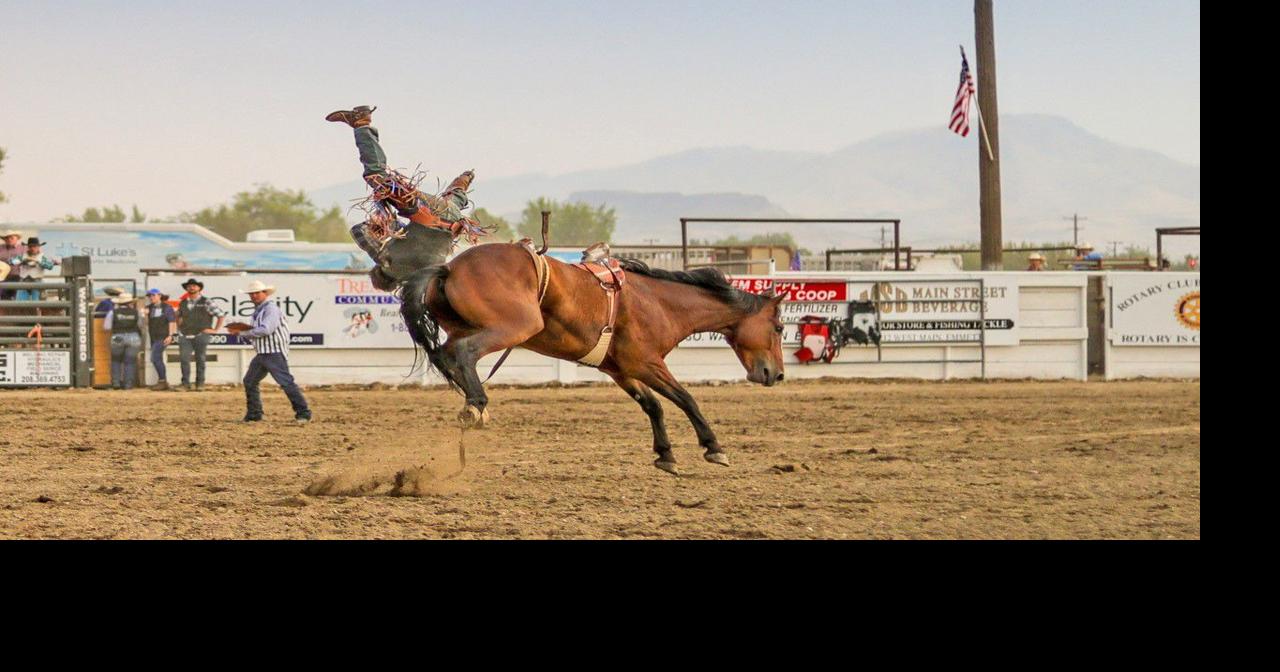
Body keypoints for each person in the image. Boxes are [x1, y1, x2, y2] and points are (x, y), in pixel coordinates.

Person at [326, 105, 489, 288]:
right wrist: (385, 233)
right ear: (380, 271)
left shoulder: (422, 278)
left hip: (452, 221)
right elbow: (359, 230)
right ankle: (361, 123)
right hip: (430, 215)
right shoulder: (388, 260)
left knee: (453, 201)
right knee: (378, 177)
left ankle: (464, 180)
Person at [227, 280, 311, 424]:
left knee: (285, 382)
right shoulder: (261, 310)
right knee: (251, 381)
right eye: (251, 294)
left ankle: (303, 413)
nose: (254, 296)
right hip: (265, 351)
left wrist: (241, 333)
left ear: (264, 293)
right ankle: (254, 414)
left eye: (256, 293)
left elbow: (266, 329)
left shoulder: (270, 309)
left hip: (273, 351)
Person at [175, 277, 226, 391]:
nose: (191, 287)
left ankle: (200, 384)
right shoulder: (183, 302)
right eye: (189, 286)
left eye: (194, 285)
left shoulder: (207, 301)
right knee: (184, 359)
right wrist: (179, 329)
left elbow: (220, 315)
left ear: (199, 288)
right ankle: (185, 384)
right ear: (186, 288)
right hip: (185, 335)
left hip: (201, 334)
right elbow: (178, 316)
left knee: (200, 359)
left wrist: (215, 330)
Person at [105, 292, 144, 389]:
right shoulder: (136, 312)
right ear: (130, 302)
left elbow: (106, 327)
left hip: (117, 336)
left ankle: (116, 383)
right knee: (130, 361)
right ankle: (128, 384)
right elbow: (141, 325)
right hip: (133, 336)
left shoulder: (112, 312)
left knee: (116, 360)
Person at [145, 288, 178, 391]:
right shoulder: (149, 308)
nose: (151, 297)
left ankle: (162, 381)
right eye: (150, 296)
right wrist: (145, 315)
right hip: (154, 336)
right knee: (157, 358)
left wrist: (170, 335)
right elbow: (145, 324)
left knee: (155, 357)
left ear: (159, 296)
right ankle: (162, 381)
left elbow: (172, 322)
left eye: (153, 295)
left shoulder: (167, 307)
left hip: (163, 336)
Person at [1, 230, 23, 300]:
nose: (9, 239)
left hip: (18, 277)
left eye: (11, 238)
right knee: (3, 298)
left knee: (17, 297)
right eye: (7, 238)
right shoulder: (0, 248)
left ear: (17, 238)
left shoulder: (23, 248)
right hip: (2, 277)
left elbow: (26, 258)